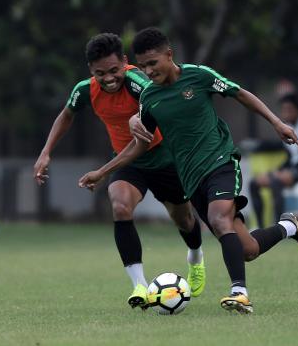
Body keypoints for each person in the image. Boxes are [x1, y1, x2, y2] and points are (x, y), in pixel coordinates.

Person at [79, 27, 298, 314]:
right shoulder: (150, 98)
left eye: (153, 63)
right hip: (191, 179)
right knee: (248, 249)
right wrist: (103, 171)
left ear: (169, 55)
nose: (148, 70)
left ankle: (239, 293)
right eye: (142, 66)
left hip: (220, 161)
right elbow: (139, 146)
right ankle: (289, 227)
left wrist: (277, 123)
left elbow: (240, 94)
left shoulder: (199, 75)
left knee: (219, 220)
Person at [33, 33, 206, 310]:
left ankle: (196, 258)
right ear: (91, 70)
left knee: (183, 220)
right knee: (121, 207)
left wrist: (137, 118)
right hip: (129, 163)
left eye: (114, 70)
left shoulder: (138, 82)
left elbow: (153, 107)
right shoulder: (85, 90)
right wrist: (45, 152)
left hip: (165, 160)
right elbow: (66, 114)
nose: (109, 78)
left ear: (125, 63)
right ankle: (139, 285)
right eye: (100, 73)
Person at [249, 93, 298, 228]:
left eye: (289, 109)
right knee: (254, 183)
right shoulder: (287, 127)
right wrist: (278, 171)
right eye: (284, 109)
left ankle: (279, 227)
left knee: (275, 181)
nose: (285, 113)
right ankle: (260, 227)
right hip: (296, 169)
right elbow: (290, 157)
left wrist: (283, 174)